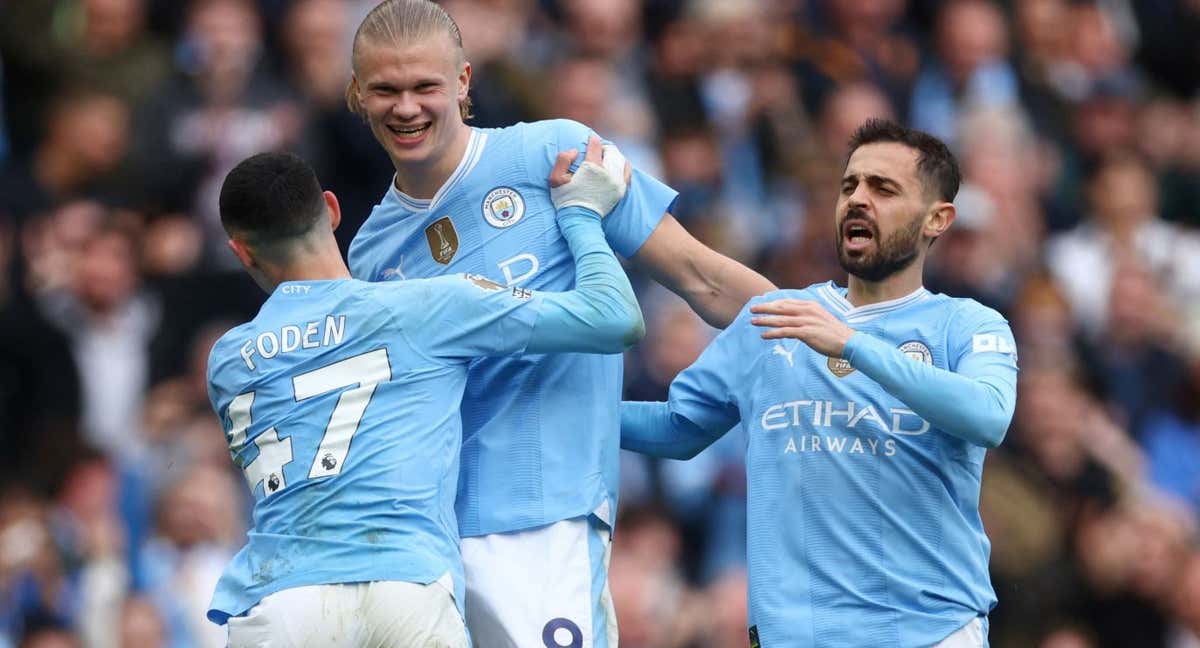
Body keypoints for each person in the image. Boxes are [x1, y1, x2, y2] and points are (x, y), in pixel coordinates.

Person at [343, 1, 775, 645]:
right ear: (357, 94)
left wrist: (831, 345)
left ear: (462, 82)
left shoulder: (555, 151)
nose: (406, 107)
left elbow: (702, 277)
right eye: (386, 89)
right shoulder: (370, 254)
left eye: (424, 86)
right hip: (428, 544)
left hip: (545, 520)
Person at [205, 142, 641, 647]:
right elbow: (615, 317)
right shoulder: (426, 307)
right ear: (330, 209)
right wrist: (583, 214)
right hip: (404, 585)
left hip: (279, 600)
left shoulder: (228, 360)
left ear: (240, 250)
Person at [620, 119, 1019, 647]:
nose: (858, 199)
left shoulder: (968, 325)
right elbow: (677, 427)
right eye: (850, 185)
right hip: (796, 635)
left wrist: (854, 344)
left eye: (883, 188)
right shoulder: (776, 319)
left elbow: (989, 416)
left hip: (929, 630)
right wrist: (573, 415)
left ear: (937, 219)